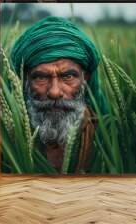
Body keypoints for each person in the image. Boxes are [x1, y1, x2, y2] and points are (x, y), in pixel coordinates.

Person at [10, 16, 107, 173]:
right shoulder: (9, 142)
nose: (55, 92)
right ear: (23, 81)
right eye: (40, 77)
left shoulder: (109, 137)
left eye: (68, 76)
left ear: (85, 78)